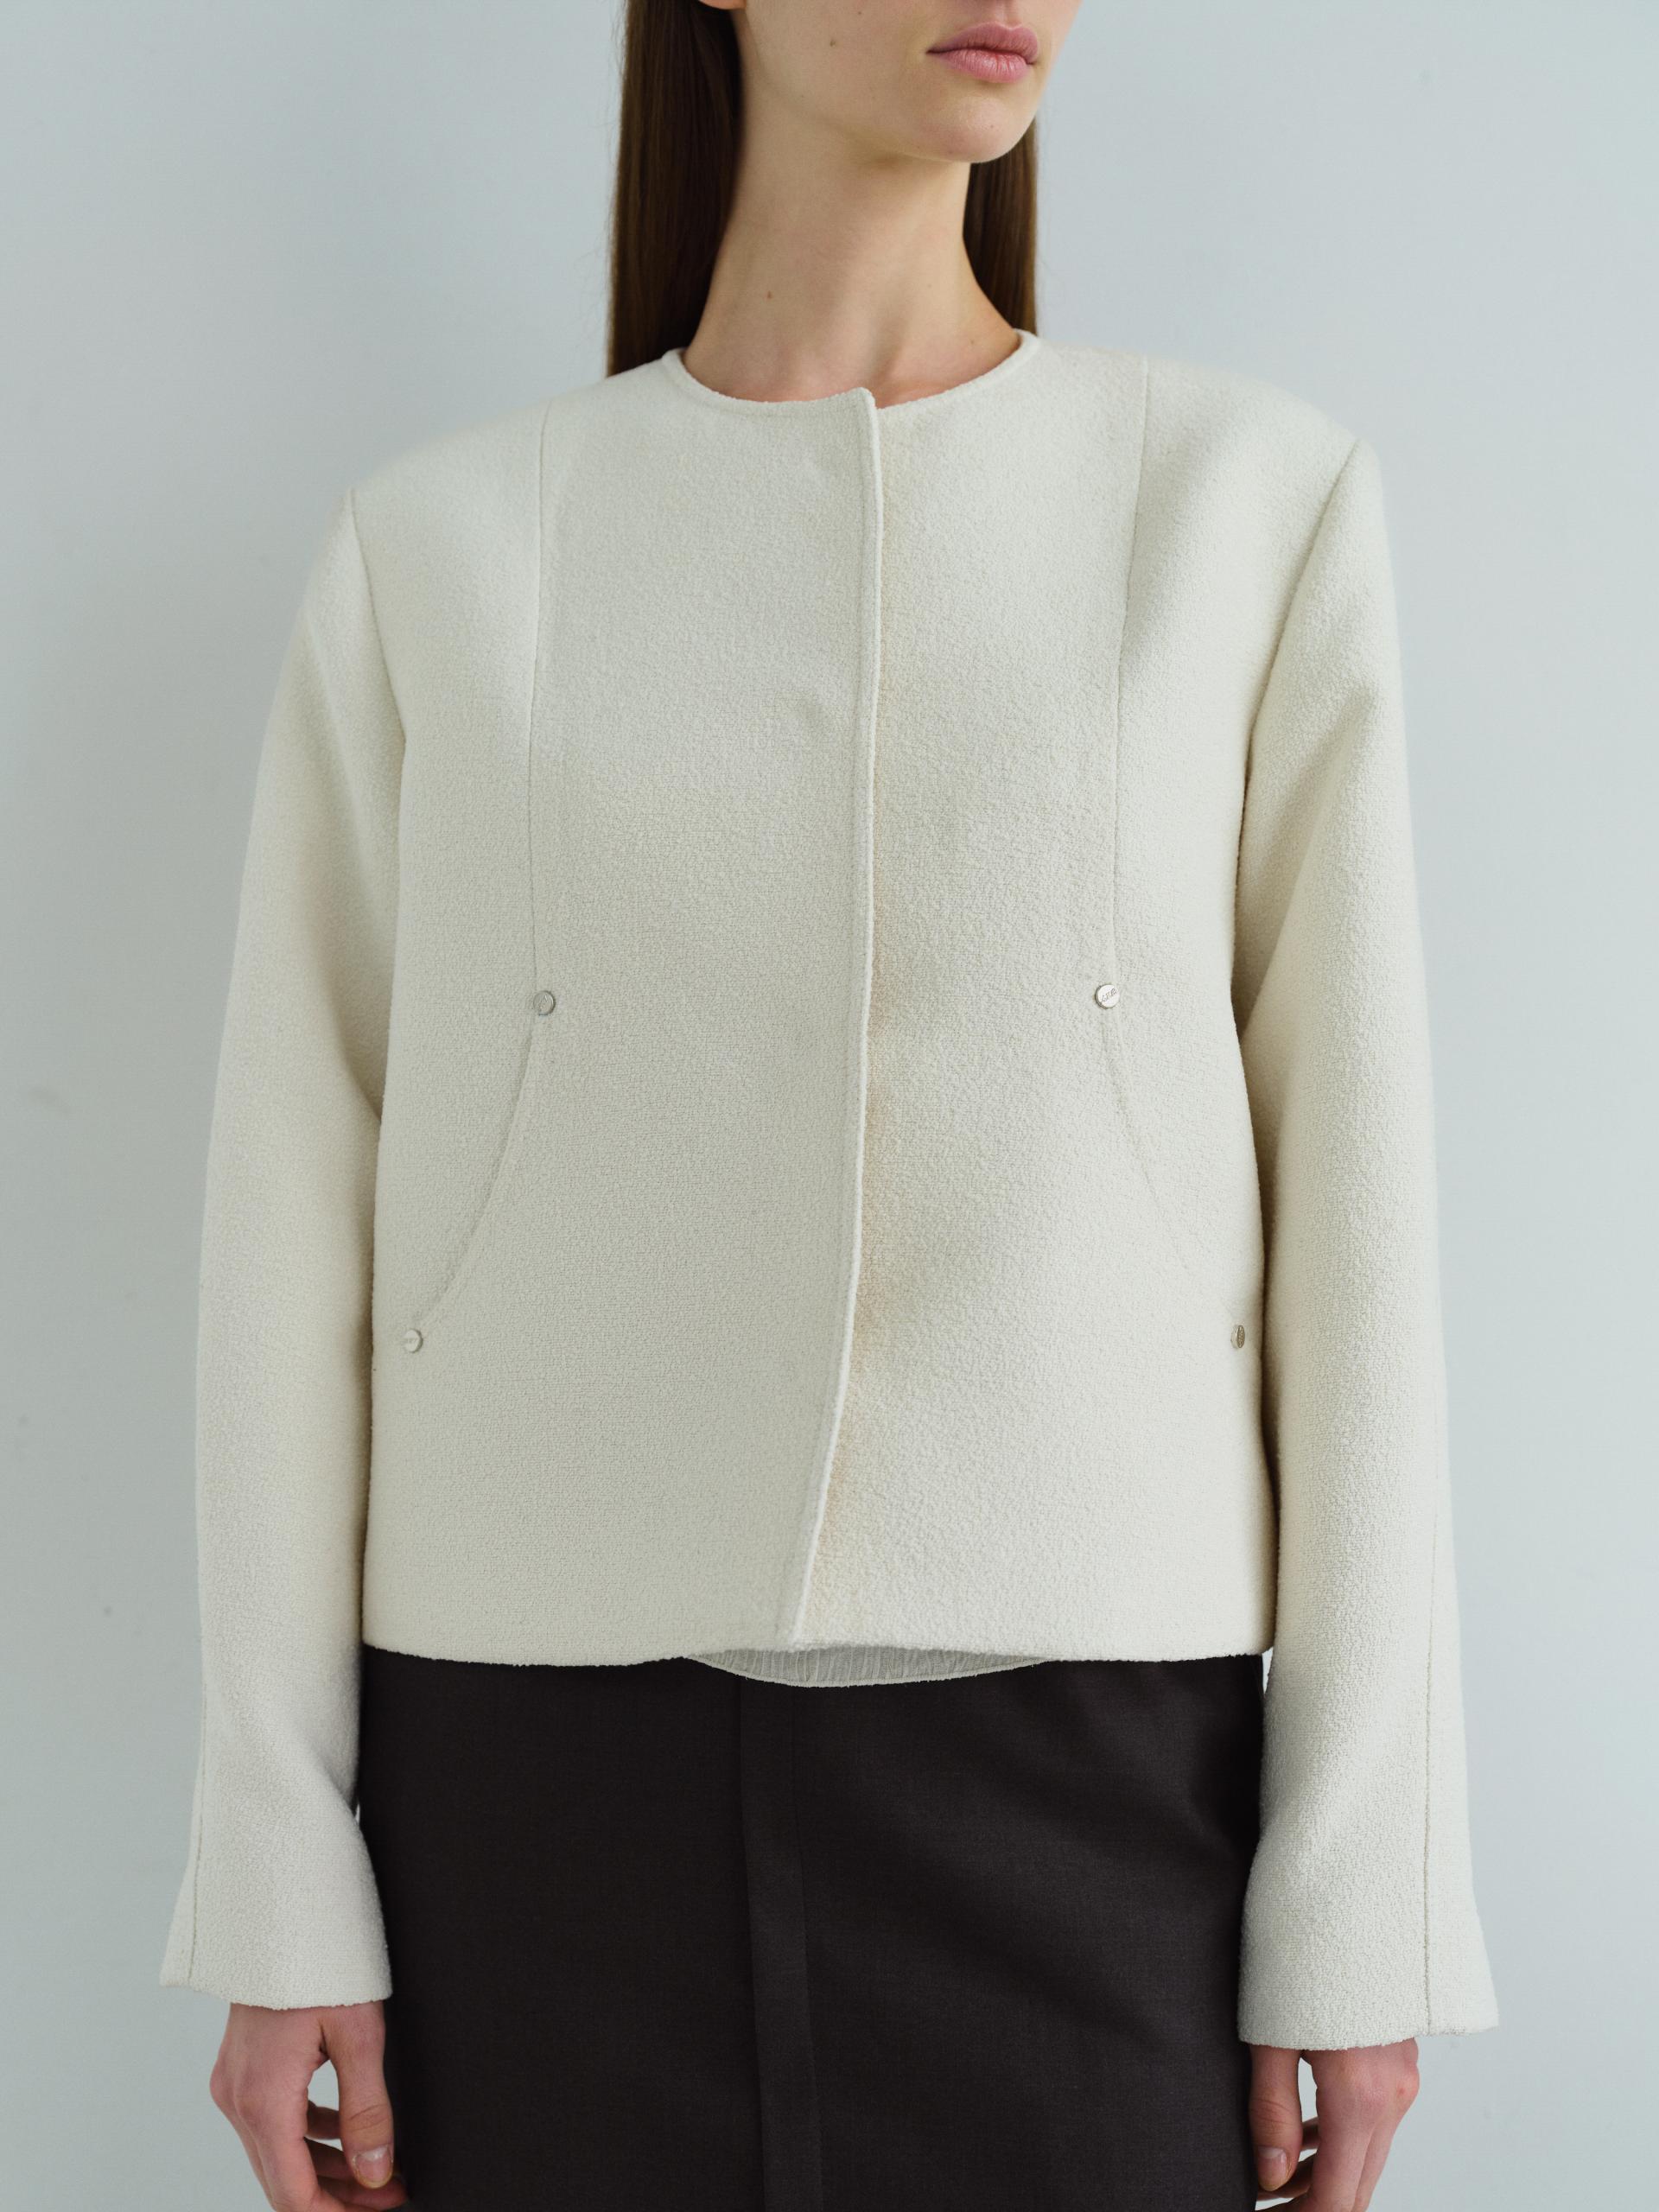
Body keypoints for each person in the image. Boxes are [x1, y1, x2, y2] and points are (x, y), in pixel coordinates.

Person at [159, 3, 1498, 2208]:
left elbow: (1361, 1230)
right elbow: (285, 1226)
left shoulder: (1248, 509)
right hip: (526, 1803)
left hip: (1100, 1805)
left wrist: (1359, 1891)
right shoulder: (443, 551)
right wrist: (277, 1852)